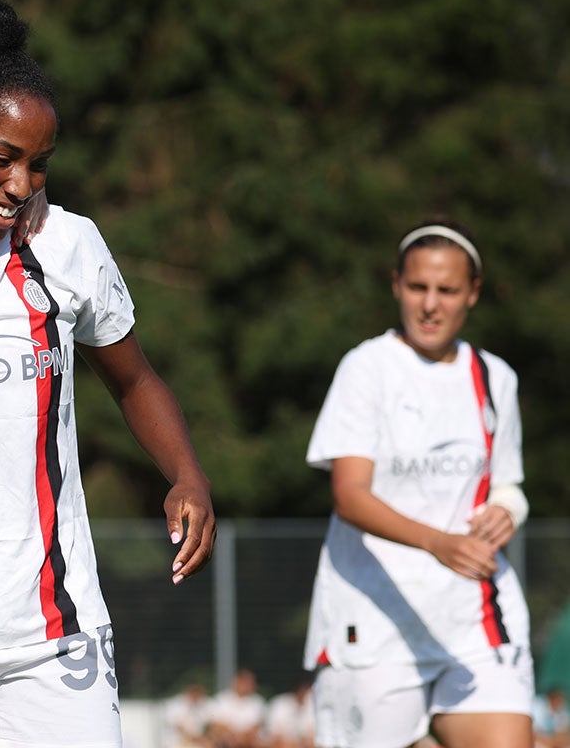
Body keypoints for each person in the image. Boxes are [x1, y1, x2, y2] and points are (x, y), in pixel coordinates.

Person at [0, 0, 217, 748]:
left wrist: (186, 473)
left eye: (38, 164)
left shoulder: (67, 247)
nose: (21, 185)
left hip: (57, 632)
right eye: (2, 158)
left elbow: (135, 379)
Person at [303, 220, 533, 748]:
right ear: (396, 285)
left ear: (472, 294)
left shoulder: (494, 377)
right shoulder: (367, 367)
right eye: (417, 287)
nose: (431, 304)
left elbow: (509, 486)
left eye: (447, 290)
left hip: (473, 617)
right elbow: (350, 495)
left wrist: (508, 510)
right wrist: (438, 543)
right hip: (374, 620)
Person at [204, 668, 266, 748]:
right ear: (236, 681)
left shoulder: (258, 702)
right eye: (243, 681)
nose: (245, 685)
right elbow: (215, 724)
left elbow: (257, 726)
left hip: (249, 741)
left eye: (248, 682)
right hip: (225, 740)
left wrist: (241, 738)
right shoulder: (221, 699)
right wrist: (232, 736)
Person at [264, 678, 315, 748]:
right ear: (301, 690)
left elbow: (310, 736)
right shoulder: (279, 703)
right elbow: (274, 734)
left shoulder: (311, 706)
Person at [163, 682, 215, 748]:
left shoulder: (203, 704)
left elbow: (211, 723)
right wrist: (199, 739)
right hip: (176, 742)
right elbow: (180, 728)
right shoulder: (175, 705)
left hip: (196, 741)